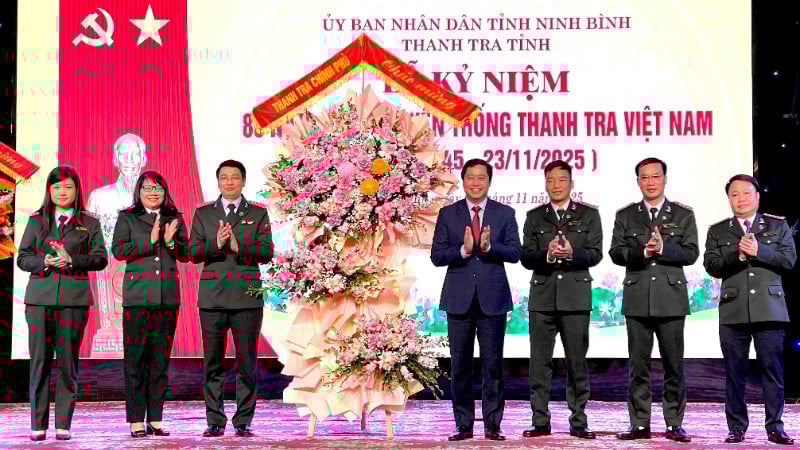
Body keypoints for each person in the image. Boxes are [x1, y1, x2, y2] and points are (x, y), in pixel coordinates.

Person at [430, 158, 521, 441]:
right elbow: (437, 256)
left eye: (481, 178)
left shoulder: (504, 213)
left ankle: (493, 425)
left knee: (493, 365)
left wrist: (489, 247)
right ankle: (463, 425)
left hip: (492, 298)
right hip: (458, 299)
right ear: (463, 180)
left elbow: (515, 252)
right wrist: (464, 250)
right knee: (460, 366)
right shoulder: (448, 214)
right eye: (471, 177)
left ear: (489, 181)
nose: (476, 182)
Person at [608, 157, 697, 442]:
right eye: (644, 177)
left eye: (655, 176)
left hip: (671, 299)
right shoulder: (626, 215)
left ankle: (674, 423)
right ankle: (639, 423)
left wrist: (664, 248)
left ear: (664, 179)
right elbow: (615, 252)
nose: (650, 182)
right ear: (638, 182)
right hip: (637, 299)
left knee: (674, 365)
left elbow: (691, 252)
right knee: (638, 366)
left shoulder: (683, 215)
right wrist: (643, 252)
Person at [703, 174, 796, 445]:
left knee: (772, 371)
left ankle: (775, 427)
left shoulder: (778, 226)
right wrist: (738, 255)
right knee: (734, 373)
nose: (740, 198)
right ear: (729, 199)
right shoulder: (718, 230)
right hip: (733, 311)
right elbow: (712, 265)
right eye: (734, 194)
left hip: (769, 309)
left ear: (757, 196)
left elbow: (789, 260)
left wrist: (759, 251)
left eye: (746, 193)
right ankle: (736, 427)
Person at [17, 166, 108, 441]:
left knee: (68, 363)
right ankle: (38, 424)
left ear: (76, 190)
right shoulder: (36, 221)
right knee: (40, 362)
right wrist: (43, 261)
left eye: (67, 187)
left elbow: (100, 259)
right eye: (56, 187)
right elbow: (22, 257)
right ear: (49, 190)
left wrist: (72, 260)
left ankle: (63, 425)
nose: (62, 192)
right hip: (39, 301)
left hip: (73, 301)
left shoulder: (89, 223)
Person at [189, 160, 273, 438]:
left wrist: (239, 246)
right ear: (218, 182)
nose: (229, 182)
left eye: (235, 177)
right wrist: (218, 244)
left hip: (247, 297)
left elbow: (265, 252)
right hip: (212, 298)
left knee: (246, 362)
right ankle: (214, 419)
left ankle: (244, 420)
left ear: (243, 181)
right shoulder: (203, 214)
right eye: (224, 177)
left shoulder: (258, 213)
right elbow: (195, 253)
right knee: (212, 362)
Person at [520, 160, 602, 440]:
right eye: (551, 181)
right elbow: (526, 257)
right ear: (545, 183)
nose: (556, 185)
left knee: (576, 362)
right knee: (539, 364)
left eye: (561, 180)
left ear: (571, 183)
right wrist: (548, 254)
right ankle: (540, 420)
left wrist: (571, 254)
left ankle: (579, 420)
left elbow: (595, 253)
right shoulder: (534, 217)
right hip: (542, 298)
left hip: (575, 298)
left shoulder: (589, 215)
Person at [112, 171, 189, 438]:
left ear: (164, 191)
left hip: (167, 299)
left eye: (157, 188)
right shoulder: (127, 216)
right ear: (139, 191)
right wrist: (151, 241)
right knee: (135, 361)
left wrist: (169, 241)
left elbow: (187, 253)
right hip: (137, 300)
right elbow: (119, 251)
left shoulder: (174, 216)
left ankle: (155, 419)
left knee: (159, 361)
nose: (153, 192)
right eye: (147, 188)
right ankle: (135, 419)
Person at [87, 133, 148, 356]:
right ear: (115, 159)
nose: (130, 160)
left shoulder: (155, 197)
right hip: (109, 278)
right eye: (124, 155)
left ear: (144, 158)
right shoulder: (99, 197)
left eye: (135, 154)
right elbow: (88, 240)